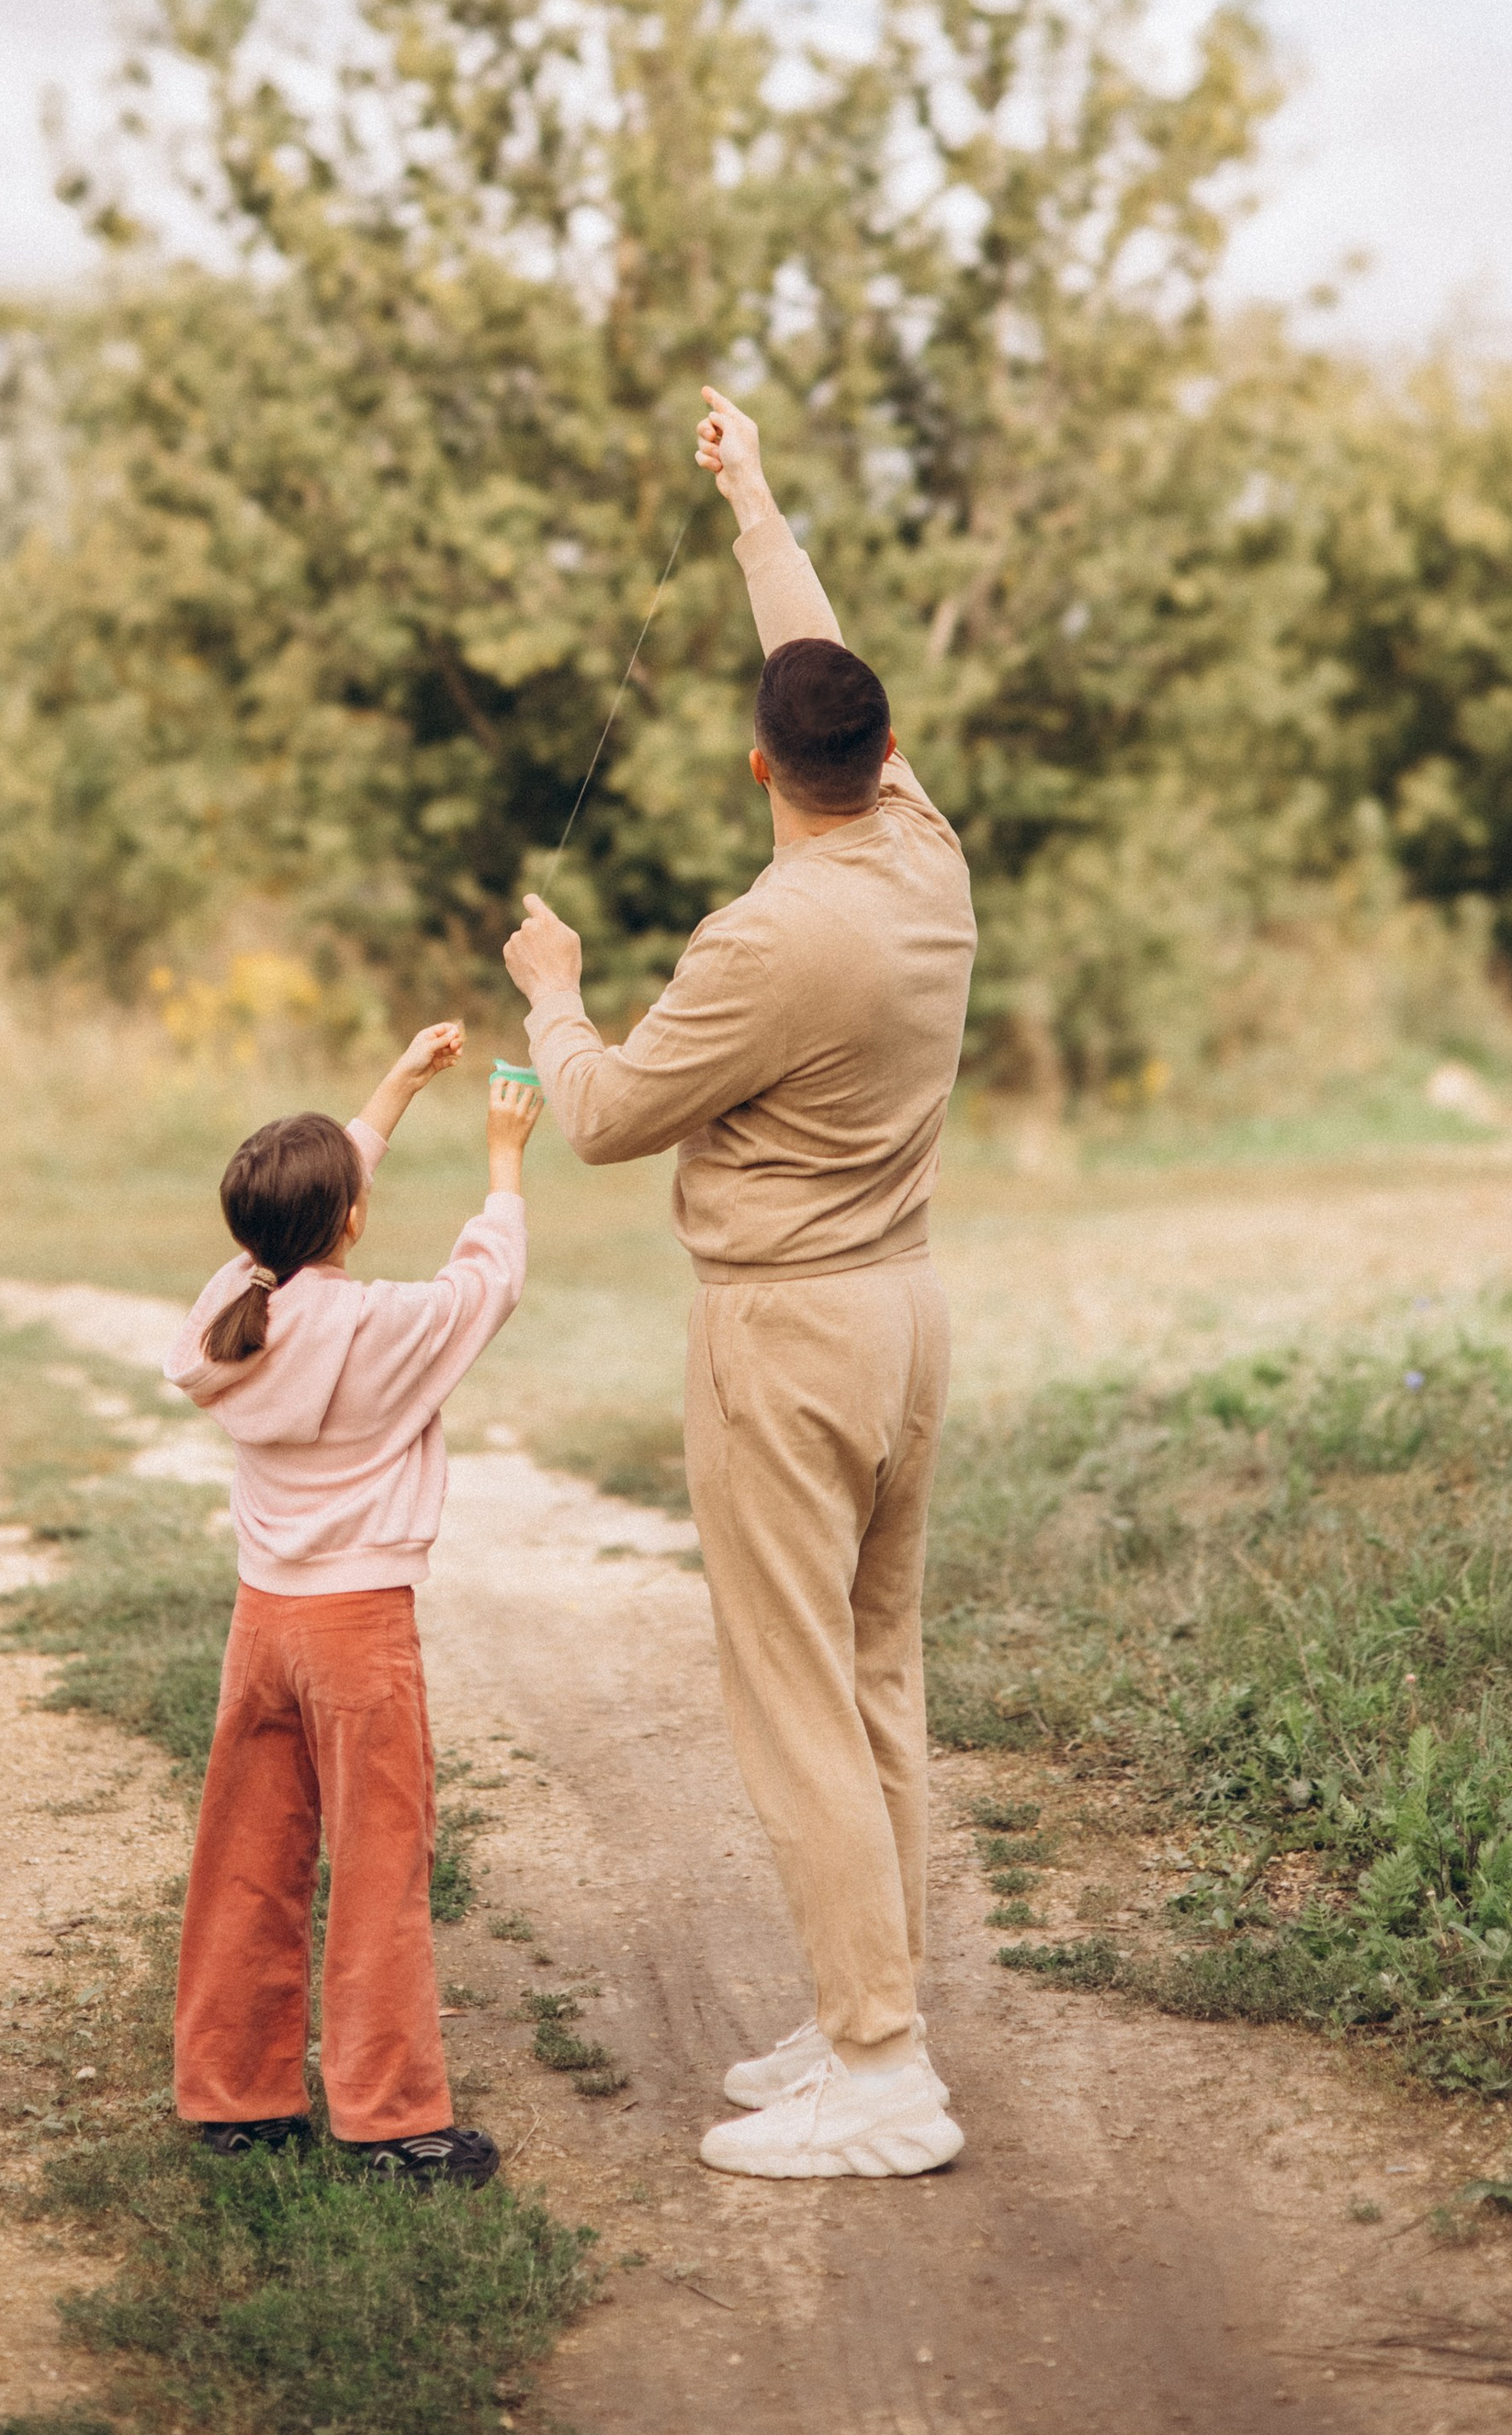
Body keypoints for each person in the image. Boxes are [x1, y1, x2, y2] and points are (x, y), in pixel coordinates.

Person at [502, 389, 976, 2181]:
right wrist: (750, 496)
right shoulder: (921, 850)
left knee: (792, 1696)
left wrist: (552, 987)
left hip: (785, 1340)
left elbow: (610, 1116)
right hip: (905, 1316)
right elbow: (815, 647)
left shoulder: (765, 939)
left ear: (758, 767)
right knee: (871, 1678)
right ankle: (868, 2009)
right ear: (880, 750)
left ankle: (880, 2073)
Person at [164, 1022, 545, 2187]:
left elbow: (313, 1207)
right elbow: (490, 1280)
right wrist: (501, 1156)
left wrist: (395, 1086)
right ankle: (388, 2120)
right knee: (379, 1866)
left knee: (249, 1851)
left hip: (261, 1625)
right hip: (358, 1631)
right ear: (352, 1221)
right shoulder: (384, 1326)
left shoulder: (233, 1308)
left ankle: (234, 2096)